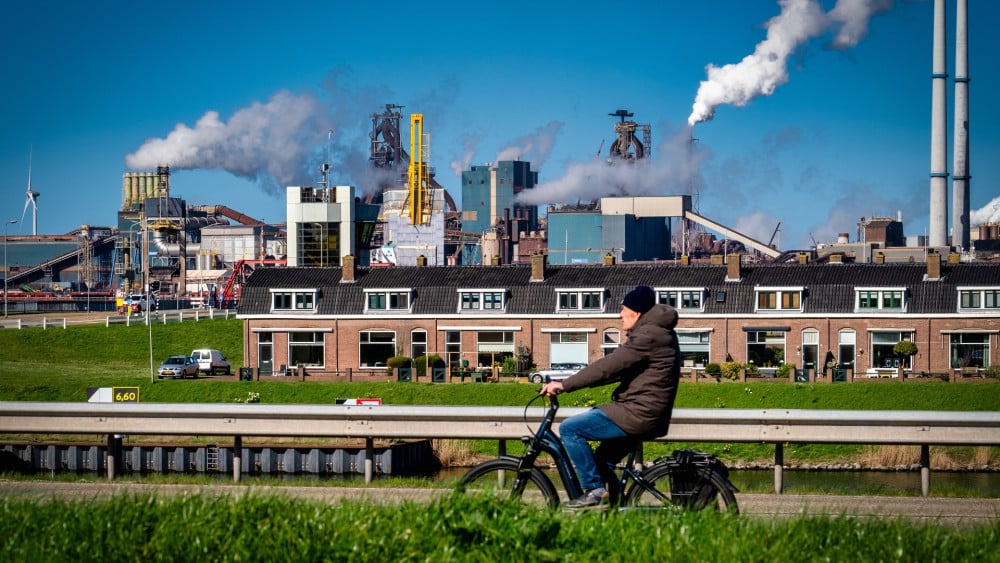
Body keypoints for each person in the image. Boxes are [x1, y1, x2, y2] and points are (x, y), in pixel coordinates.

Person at [539, 284, 681, 508]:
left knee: (570, 429)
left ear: (636, 312)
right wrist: (577, 383)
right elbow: (615, 371)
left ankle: (594, 490)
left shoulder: (649, 336)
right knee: (601, 462)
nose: (620, 314)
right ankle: (615, 510)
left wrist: (565, 385)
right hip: (643, 411)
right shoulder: (656, 333)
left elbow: (609, 366)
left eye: (623, 309)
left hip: (638, 412)